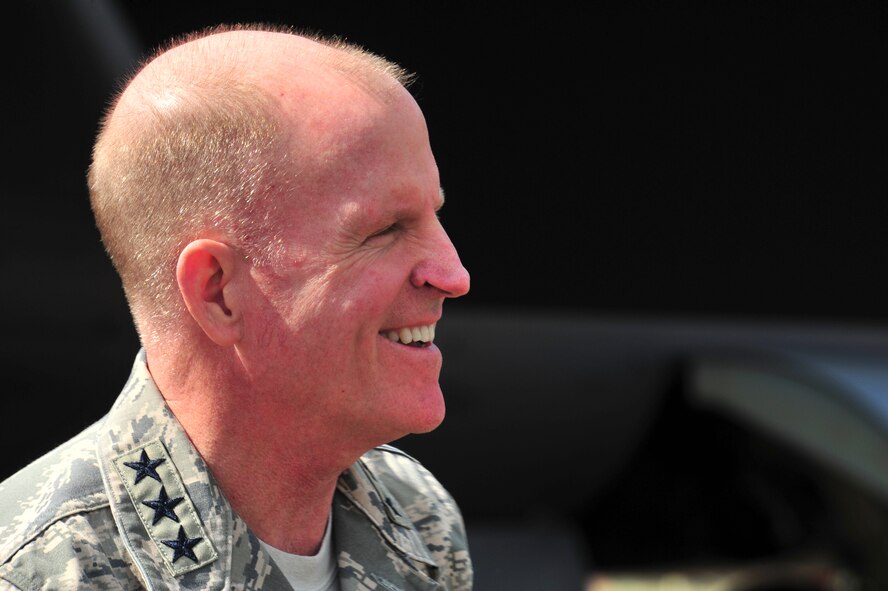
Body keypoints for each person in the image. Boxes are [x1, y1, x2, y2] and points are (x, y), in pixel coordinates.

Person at [0, 23, 472, 591]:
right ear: (218, 292)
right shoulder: (42, 574)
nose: (453, 275)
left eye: (432, 217)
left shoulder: (414, 514)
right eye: (385, 230)